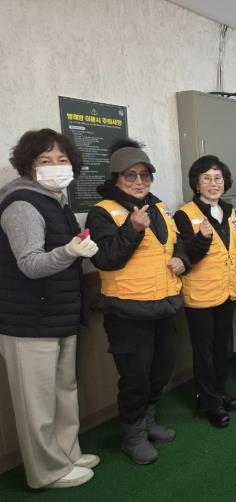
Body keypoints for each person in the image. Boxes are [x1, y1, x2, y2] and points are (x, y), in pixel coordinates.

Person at [0, 129, 99, 488]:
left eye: (62, 159)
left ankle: (66, 452)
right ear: (29, 166)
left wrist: (74, 250)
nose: (56, 166)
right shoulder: (22, 204)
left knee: (63, 390)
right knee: (37, 403)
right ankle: (46, 471)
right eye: (45, 160)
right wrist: (69, 252)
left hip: (59, 313)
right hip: (28, 320)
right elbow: (30, 264)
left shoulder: (57, 201)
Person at [86, 139, 190, 465]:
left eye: (144, 175)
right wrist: (131, 229)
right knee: (134, 378)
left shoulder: (159, 207)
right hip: (127, 311)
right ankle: (132, 436)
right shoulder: (102, 212)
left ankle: (148, 420)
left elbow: (176, 243)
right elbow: (105, 259)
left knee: (161, 369)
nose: (138, 181)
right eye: (129, 175)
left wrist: (183, 259)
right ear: (116, 178)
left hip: (164, 305)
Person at [174, 155, 236, 428]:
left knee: (221, 346)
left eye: (218, 178)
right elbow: (186, 257)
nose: (213, 184)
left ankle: (219, 392)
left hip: (226, 290)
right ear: (196, 183)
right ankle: (209, 402)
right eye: (206, 178)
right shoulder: (184, 214)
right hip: (200, 295)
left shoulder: (229, 210)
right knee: (204, 351)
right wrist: (201, 238)